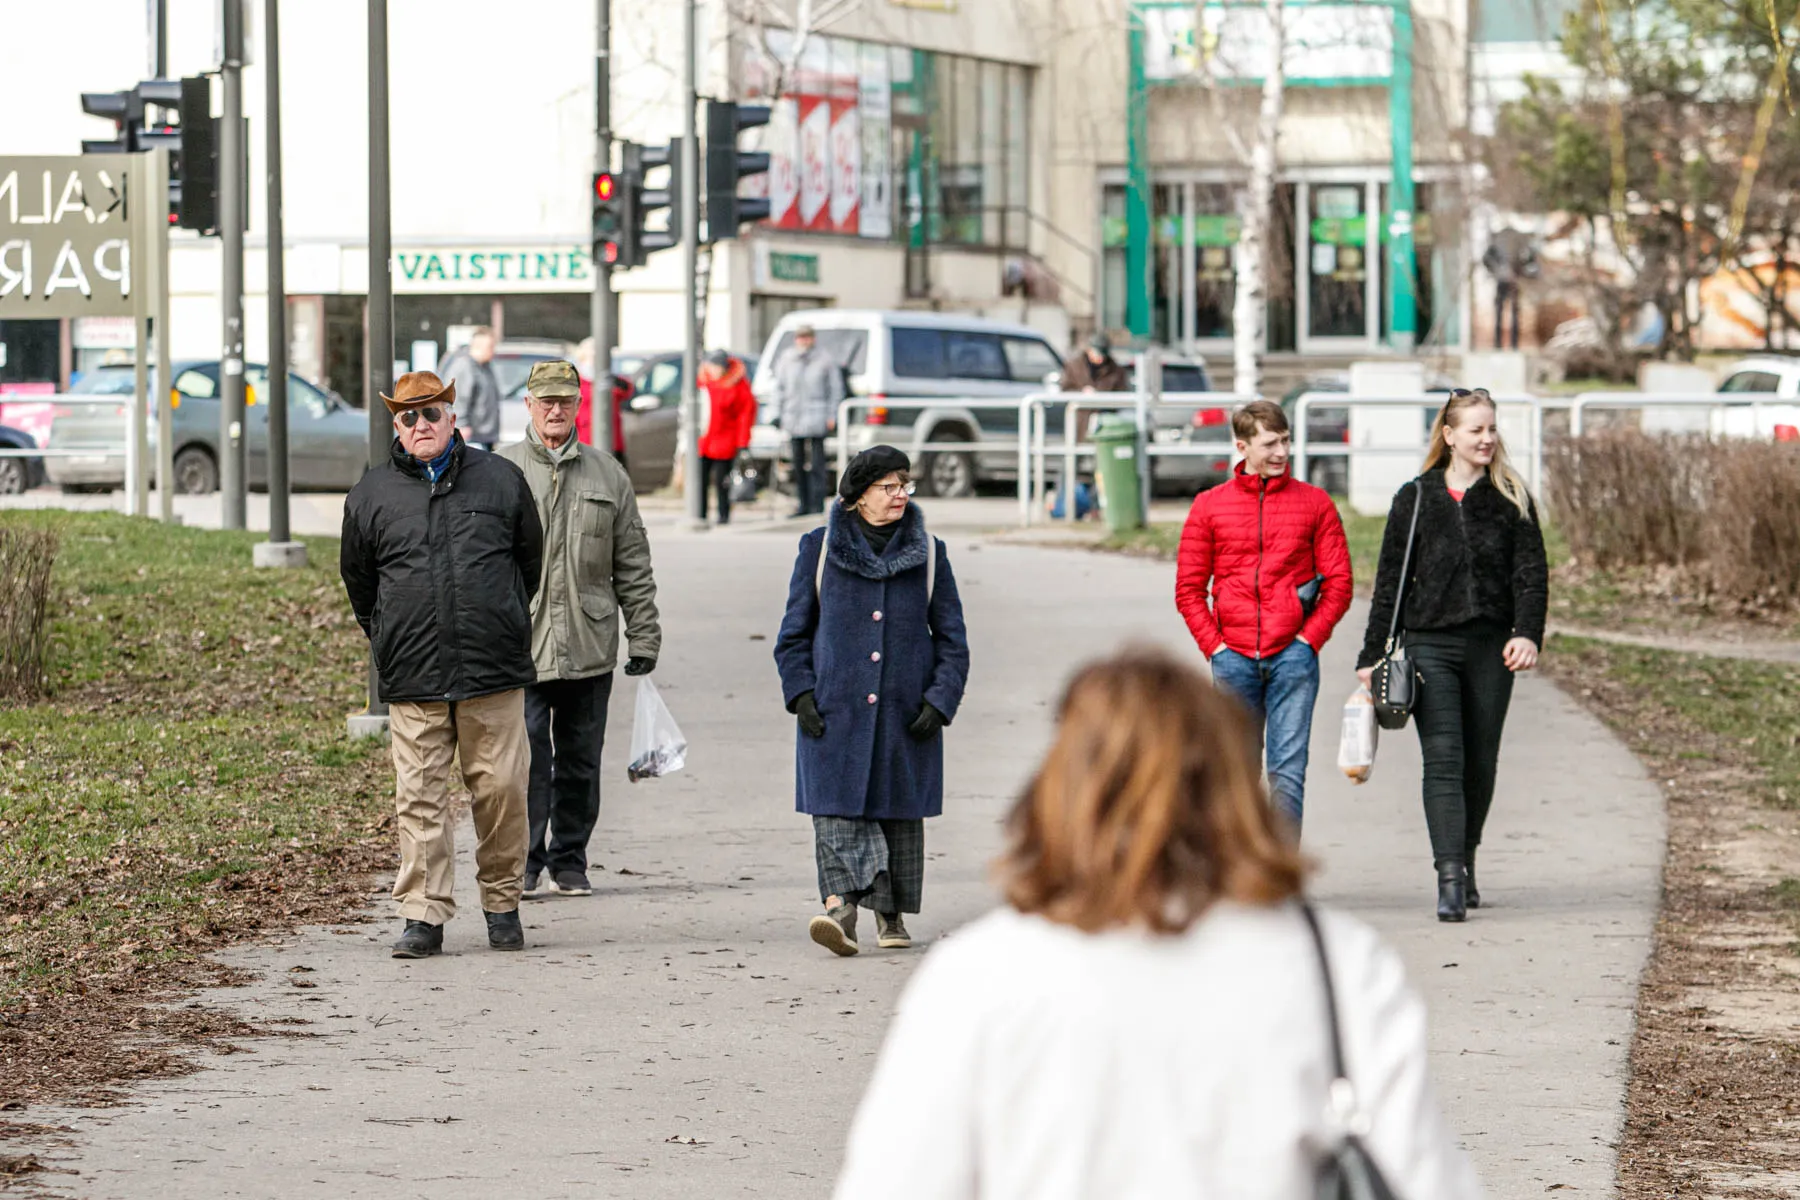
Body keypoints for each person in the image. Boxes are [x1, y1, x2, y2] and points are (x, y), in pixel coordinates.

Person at [833, 649, 1479, 1200]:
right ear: (1232, 783)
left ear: (1062, 789)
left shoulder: (979, 976)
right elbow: (1423, 1176)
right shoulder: (1337, 965)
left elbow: (897, 1179)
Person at [339, 371, 543, 958]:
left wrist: (498, 616)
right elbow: (359, 581)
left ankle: (502, 904)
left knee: (502, 790)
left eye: (432, 413)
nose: (421, 425)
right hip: (414, 673)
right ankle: (423, 916)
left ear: (452, 416)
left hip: (492, 669)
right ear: (395, 426)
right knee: (420, 796)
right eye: (409, 417)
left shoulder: (500, 480)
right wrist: (387, 636)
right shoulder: (371, 494)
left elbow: (530, 564)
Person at [1356, 387, 1548, 922]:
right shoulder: (1414, 498)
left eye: (1491, 429)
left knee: (1480, 762)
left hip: (1491, 647)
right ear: (1449, 436)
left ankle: (1466, 860)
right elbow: (1390, 583)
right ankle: (1447, 877)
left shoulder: (1512, 498)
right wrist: (1372, 656)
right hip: (1427, 645)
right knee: (1443, 758)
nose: (1487, 439)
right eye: (1475, 430)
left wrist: (1527, 632)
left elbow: (1531, 575)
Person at [774, 445, 970, 957]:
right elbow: (793, 634)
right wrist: (800, 694)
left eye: (905, 484)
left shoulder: (929, 553)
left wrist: (940, 701)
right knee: (836, 813)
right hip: (832, 711)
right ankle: (840, 911)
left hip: (906, 714)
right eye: (888, 487)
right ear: (858, 497)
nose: (900, 494)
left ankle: (890, 912)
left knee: (896, 816)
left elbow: (953, 641)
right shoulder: (818, 550)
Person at [498, 360, 662, 899]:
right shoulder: (501, 471)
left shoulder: (607, 474)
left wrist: (645, 636)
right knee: (525, 764)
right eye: (545, 400)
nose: (554, 410)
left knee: (580, 761)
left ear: (577, 407)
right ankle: (526, 859)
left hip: (590, 644)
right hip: (521, 645)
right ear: (528, 405)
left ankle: (570, 859)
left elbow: (633, 562)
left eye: (564, 401)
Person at [1175, 399, 1353, 832]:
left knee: (1287, 774)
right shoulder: (1209, 507)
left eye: (1286, 441)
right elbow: (1188, 590)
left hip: (1293, 657)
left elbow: (1340, 582)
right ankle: (1238, 876)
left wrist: (1309, 640)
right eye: (1270, 443)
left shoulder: (1315, 505)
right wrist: (1215, 648)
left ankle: (1281, 885)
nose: (1282, 452)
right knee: (1234, 776)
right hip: (1232, 658)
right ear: (1243, 447)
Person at [773, 324, 844, 517]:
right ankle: (802, 503)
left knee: (817, 464)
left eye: (807, 337)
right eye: (801, 337)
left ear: (813, 338)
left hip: (817, 417)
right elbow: (779, 389)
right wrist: (776, 414)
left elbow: (835, 390)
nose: (804, 341)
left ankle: (817, 503)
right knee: (797, 464)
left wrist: (832, 415)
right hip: (793, 417)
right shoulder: (787, 360)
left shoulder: (824, 359)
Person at [697, 349, 757, 524]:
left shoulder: (738, 385)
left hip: (725, 441)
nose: (714, 371)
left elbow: (745, 415)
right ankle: (700, 513)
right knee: (700, 480)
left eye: (717, 367)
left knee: (723, 482)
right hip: (704, 440)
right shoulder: (703, 382)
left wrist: (743, 443)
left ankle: (723, 514)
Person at [437, 327, 502, 451]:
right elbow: (457, 399)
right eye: (491, 346)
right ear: (478, 346)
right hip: (471, 436)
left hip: (485, 435)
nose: (494, 351)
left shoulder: (486, 367)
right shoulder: (464, 366)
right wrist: (461, 425)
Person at [573, 336, 629, 465]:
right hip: (585, 443)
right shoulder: (576, 382)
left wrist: (613, 379)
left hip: (613, 443)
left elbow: (626, 390)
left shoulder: (610, 382)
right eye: (594, 357)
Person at [1057, 329, 1129, 393]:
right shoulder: (1073, 367)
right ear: (1089, 350)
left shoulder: (1116, 370)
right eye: (1097, 354)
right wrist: (1081, 391)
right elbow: (1065, 389)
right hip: (1080, 407)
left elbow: (1121, 393)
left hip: (1104, 407)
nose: (1101, 358)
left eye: (1103, 355)